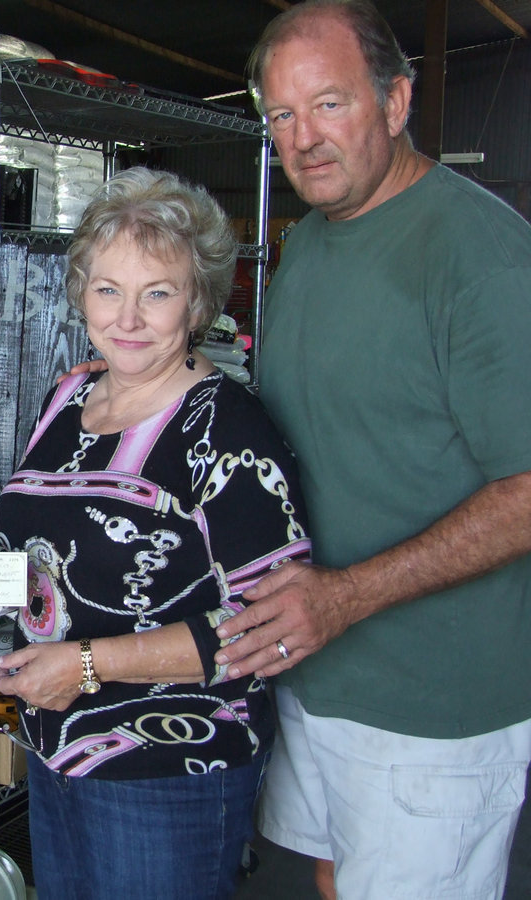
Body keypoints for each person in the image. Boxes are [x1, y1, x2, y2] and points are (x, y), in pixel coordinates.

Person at [211, 2, 531, 898]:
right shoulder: (312, 241)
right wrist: (145, 373)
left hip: (430, 708)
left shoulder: (479, 256)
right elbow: (314, 417)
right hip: (318, 675)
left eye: (330, 105)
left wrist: (348, 597)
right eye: (281, 115)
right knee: (331, 878)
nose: (303, 139)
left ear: (395, 102)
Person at [0, 166, 311, 898]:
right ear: (81, 293)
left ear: (197, 303)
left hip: (168, 772)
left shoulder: (226, 427)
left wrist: (87, 665)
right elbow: (43, 552)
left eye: (157, 293)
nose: (127, 318)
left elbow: (270, 626)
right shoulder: (69, 396)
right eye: (108, 290)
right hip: (55, 746)